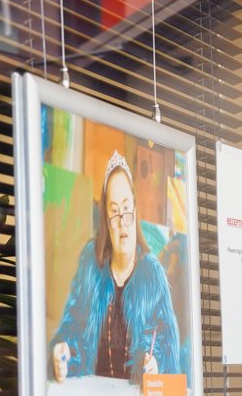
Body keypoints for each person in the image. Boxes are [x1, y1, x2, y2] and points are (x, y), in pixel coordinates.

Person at [50, 151, 181, 384]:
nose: (122, 222)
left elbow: (167, 346)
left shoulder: (152, 275)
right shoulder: (90, 266)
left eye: (126, 208)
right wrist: (63, 354)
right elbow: (72, 328)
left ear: (135, 210)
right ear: (105, 221)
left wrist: (155, 364)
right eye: (114, 212)